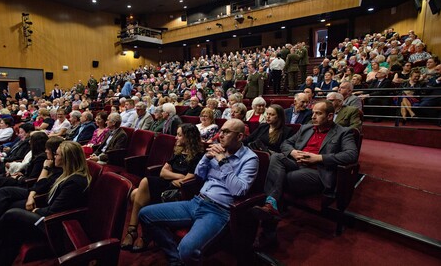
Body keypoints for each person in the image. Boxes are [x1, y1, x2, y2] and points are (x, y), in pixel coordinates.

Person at [139, 119, 259, 265]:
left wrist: (223, 162)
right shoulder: (216, 149)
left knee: (187, 249)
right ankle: (175, 258)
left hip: (218, 211)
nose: (220, 135)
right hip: (196, 201)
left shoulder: (250, 159)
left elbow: (239, 190)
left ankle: (180, 257)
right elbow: (199, 175)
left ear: (239, 137)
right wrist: (206, 158)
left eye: (226, 132)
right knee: (145, 214)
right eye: (221, 131)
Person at [252, 101, 358, 247]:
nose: (313, 116)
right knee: (275, 157)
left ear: (330, 116)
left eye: (318, 113)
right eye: (313, 112)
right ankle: (271, 208)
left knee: (280, 178)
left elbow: (351, 155)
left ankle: (269, 216)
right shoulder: (306, 128)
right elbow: (285, 144)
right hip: (296, 163)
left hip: (317, 171)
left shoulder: (343, 132)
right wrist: (294, 152)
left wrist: (319, 158)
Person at [0, 141, 91, 265]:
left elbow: (53, 211)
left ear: (67, 159)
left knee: (12, 214)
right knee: (13, 229)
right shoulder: (66, 174)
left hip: (53, 224)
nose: (54, 156)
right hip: (48, 213)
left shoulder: (74, 182)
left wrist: (35, 210)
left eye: (57, 154)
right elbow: (42, 186)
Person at [120, 124, 205, 251]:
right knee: (139, 189)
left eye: (179, 135)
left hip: (178, 191)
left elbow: (187, 181)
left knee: (137, 193)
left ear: (188, 137)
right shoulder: (179, 152)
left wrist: (174, 177)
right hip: (168, 184)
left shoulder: (198, 156)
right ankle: (143, 234)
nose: (176, 138)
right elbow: (162, 172)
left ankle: (136, 232)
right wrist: (179, 176)